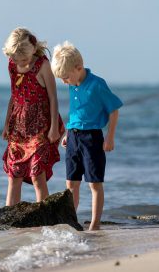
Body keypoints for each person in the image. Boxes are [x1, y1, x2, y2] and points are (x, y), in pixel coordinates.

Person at [51, 41, 122, 231]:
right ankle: (72, 221)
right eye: (62, 79)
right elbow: (75, 112)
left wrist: (110, 137)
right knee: (71, 183)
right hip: (73, 136)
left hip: (92, 138)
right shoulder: (72, 84)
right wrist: (67, 133)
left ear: (78, 68)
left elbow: (114, 110)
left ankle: (94, 224)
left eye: (65, 77)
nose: (64, 82)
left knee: (94, 183)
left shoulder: (97, 85)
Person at [2, 27, 63, 206]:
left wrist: (53, 127)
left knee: (37, 175)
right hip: (18, 126)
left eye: (25, 59)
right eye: (16, 59)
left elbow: (53, 98)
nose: (21, 63)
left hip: (41, 125)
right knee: (14, 176)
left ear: (33, 49)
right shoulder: (12, 64)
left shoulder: (43, 66)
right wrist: (6, 124)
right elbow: (14, 95)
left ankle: (41, 217)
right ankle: (9, 222)